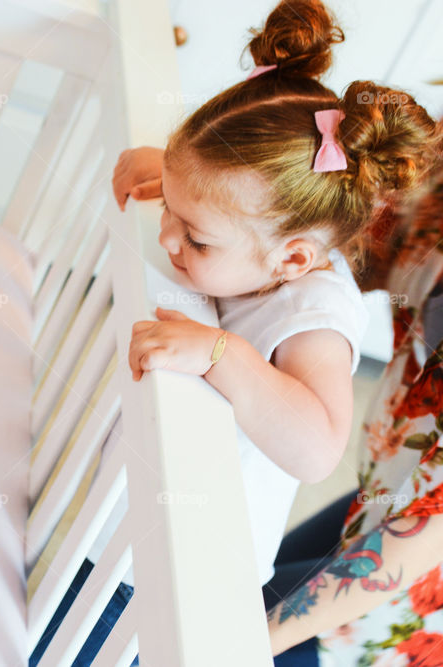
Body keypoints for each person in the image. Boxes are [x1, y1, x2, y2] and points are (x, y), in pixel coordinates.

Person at [31, 0, 440, 662]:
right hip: (124, 526)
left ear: (294, 258)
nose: (167, 238)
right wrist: (175, 176)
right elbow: (233, 203)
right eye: (172, 205)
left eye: (194, 234)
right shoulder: (263, 236)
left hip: (176, 570)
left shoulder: (317, 315)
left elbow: (315, 448)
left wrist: (225, 354)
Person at [266, 144, 443, 666]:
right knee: (238, 572)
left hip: (406, 599)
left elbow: (422, 540)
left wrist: (250, 645)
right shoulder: (433, 193)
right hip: (386, 491)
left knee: (213, 622)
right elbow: (358, 252)